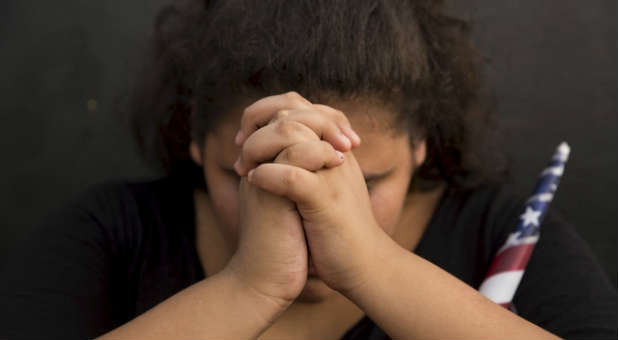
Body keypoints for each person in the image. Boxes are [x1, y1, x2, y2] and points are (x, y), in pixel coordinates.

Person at [0, 0, 615, 339]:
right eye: (254, 173)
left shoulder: (503, 235)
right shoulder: (114, 233)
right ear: (192, 141)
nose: (310, 211)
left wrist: (372, 265)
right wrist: (250, 289)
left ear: (421, 144)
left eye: (365, 182)